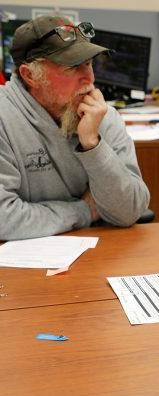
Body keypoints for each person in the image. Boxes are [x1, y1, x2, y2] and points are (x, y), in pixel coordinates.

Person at [0, 15, 150, 241]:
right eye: (72, 67)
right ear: (30, 75)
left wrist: (92, 144)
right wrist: (85, 210)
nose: (88, 79)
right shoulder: (4, 119)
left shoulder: (102, 116)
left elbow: (130, 211)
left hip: (98, 256)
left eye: (89, 63)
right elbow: (5, 219)